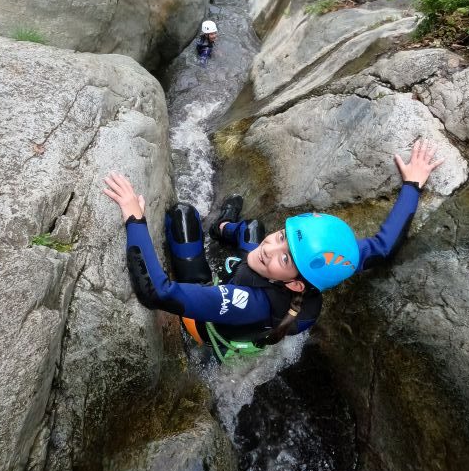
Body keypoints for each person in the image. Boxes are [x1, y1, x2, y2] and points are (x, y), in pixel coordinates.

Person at [102, 141, 444, 361]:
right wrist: (412, 185)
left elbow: (156, 292)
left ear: (296, 283)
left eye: (286, 255)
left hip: (207, 326)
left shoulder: (250, 302)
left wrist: (134, 217)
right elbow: (383, 248)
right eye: (282, 236)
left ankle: (219, 227)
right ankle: (223, 225)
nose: (270, 246)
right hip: (260, 298)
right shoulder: (327, 264)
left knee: (182, 216)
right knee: (252, 230)